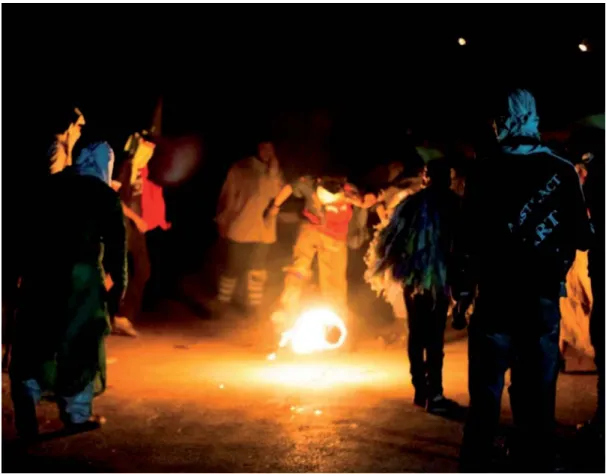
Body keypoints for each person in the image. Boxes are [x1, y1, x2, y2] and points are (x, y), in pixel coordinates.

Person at [453, 89, 593, 472]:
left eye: (497, 120)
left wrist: (461, 292)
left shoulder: (483, 171)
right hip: (541, 303)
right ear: (532, 119)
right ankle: (535, 460)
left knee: (484, 395)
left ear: (504, 122)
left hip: (494, 300)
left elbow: (465, 240)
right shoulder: (561, 170)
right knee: (536, 396)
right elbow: (584, 238)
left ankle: (477, 459)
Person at [9, 136, 127, 438]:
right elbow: (117, 249)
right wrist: (116, 293)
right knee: (81, 344)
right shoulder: (104, 195)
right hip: (80, 281)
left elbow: (26, 232)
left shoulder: (51, 187)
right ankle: (77, 414)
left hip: (41, 275)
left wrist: (18, 276)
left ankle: (27, 399)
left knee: (38, 338)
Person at [369, 159, 461, 413]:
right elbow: (466, 244)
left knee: (417, 333)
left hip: (414, 279)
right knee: (434, 336)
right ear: (447, 178)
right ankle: (435, 393)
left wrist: (398, 264)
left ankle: (421, 390)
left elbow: (388, 241)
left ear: (425, 177)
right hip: (440, 280)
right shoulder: (454, 204)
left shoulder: (410, 204)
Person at [270, 175, 375, 327]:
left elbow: (368, 201)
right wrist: (275, 206)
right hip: (312, 229)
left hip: (336, 239)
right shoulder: (310, 184)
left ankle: (335, 321)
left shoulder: (351, 192)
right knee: (299, 268)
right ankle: (285, 311)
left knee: (335, 282)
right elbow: (290, 187)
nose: (328, 206)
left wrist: (365, 202)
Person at [209, 141, 283, 315]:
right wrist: (223, 221)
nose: (267, 152)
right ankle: (221, 302)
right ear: (257, 148)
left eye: (271, 149)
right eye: (264, 148)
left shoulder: (273, 172)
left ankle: (253, 306)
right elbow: (227, 197)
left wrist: (273, 172)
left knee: (257, 269)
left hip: (264, 231)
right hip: (241, 227)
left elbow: (276, 195)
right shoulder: (241, 168)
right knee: (232, 267)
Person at [112, 132, 160, 336]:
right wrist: (136, 218)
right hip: (123, 226)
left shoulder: (141, 170)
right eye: (146, 149)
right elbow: (114, 199)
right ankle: (115, 315)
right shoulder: (125, 167)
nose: (149, 154)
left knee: (142, 269)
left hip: (135, 228)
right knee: (117, 273)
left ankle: (122, 316)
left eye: (152, 151)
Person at [48, 106, 86, 174]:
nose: (80, 132)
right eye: (79, 126)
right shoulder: (58, 151)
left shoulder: (60, 148)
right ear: (70, 127)